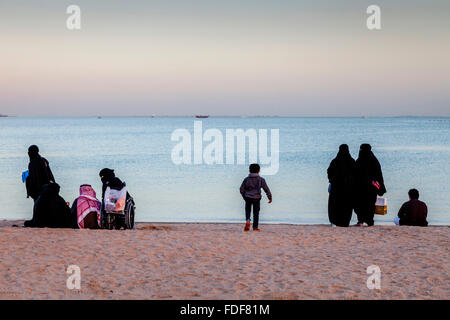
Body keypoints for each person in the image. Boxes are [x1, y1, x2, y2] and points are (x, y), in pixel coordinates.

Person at [354, 144, 386, 226]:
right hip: (372, 187)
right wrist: (381, 187)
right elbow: (379, 174)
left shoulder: (359, 161)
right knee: (370, 204)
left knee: (359, 203)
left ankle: (360, 220)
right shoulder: (374, 161)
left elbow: (354, 174)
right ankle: (370, 221)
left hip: (360, 187)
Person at [327, 144, 356, 227]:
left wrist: (331, 180)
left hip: (336, 188)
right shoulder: (351, 161)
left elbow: (329, 172)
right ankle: (345, 222)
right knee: (347, 205)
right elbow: (356, 174)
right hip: (348, 188)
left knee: (335, 205)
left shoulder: (335, 161)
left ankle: (334, 221)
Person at [239, 163, 272, 232]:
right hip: (257, 198)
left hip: (248, 197)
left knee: (248, 210)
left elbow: (241, 189)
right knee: (256, 212)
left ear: (249, 170)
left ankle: (248, 220)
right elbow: (266, 189)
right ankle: (255, 227)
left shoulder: (246, 179)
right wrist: (269, 197)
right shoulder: (261, 179)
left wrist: (244, 196)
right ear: (258, 171)